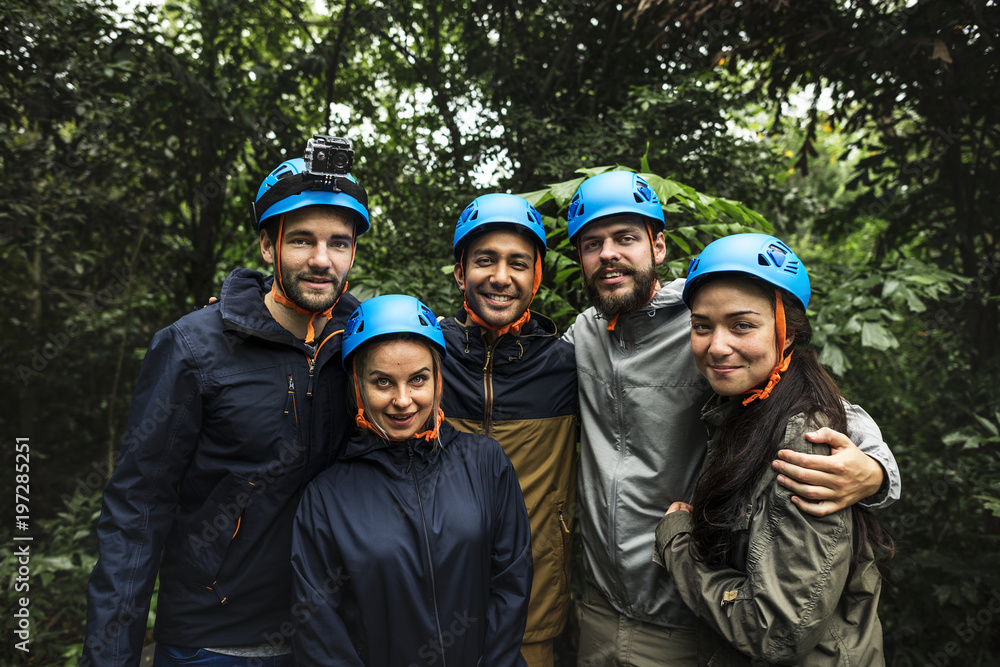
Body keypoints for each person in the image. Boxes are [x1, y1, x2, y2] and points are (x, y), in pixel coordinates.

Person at [560, 170, 901, 666]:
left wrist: (874, 471)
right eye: (593, 243)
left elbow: (815, 402)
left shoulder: (704, 313)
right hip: (600, 610)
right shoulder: (583, 335)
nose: (608, 253)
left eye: (625, 237)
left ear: (657, 246)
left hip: (690, 615)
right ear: (581, 259)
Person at [83, 136, 369, 666]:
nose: (322, 260)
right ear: (268, 246)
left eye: (339, 243)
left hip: (327, 637)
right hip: (214, 642)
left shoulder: (360, 348)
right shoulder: (194, 348)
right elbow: (137, 510)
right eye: (302, 240)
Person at [653, 233, 890, 664]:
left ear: (788, 332)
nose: (717, 346)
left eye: (742, 325)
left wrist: (677, 543)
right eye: (702, 326)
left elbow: (775, 633)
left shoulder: (807, 441)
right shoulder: (742, 413)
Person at [290, 294, 533, 666]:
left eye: (417, 379)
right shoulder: (326, 498)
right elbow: (320, 631)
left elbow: (512, 582)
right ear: (357, 386)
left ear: (438, 380)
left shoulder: (485, 462)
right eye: (382, 382)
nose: (402, 400)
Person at [440, 193, 578, 667]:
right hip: (431, 605)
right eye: (485, 261)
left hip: (533, 611)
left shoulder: (568, 365)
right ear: (461, 272)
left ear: (536, 276)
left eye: (518, 263)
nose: (501, 277)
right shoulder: (425, 357)